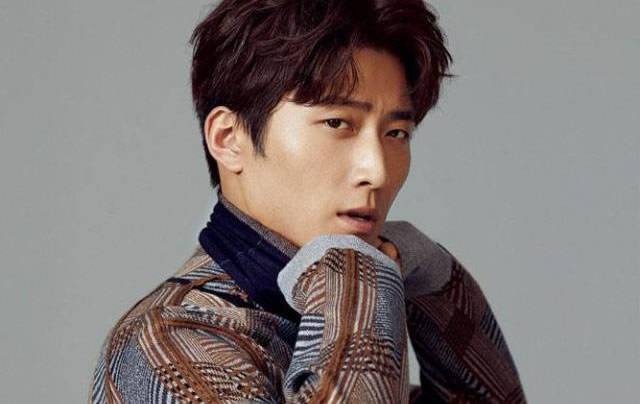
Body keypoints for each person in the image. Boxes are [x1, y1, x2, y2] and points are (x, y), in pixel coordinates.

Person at [88, 0, 527, 402]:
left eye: (396, 133)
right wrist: (355, 273)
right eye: (337, 123)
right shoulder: (167, 346)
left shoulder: (344, 313)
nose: (377, 171)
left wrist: (433, 277)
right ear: (228, 138)